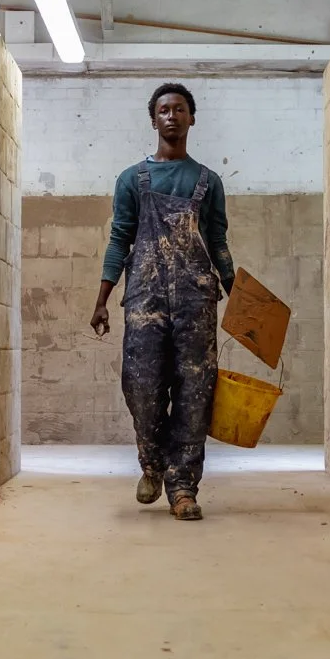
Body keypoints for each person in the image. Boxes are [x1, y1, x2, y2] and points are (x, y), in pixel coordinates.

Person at [90, 82, 235, 521]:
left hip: (196, 301)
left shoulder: (208, 181)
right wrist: (102, 299)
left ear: (192, 118)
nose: (171, 116)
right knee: (142, 387)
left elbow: (218, 243)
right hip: (144, 300)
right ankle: (152, 464)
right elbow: (120, 240)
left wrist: (240, 299)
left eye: (180, 109)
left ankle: (184, 488)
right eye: (164, 110)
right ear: (153, 119)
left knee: (195, 393)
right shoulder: (132, 180)